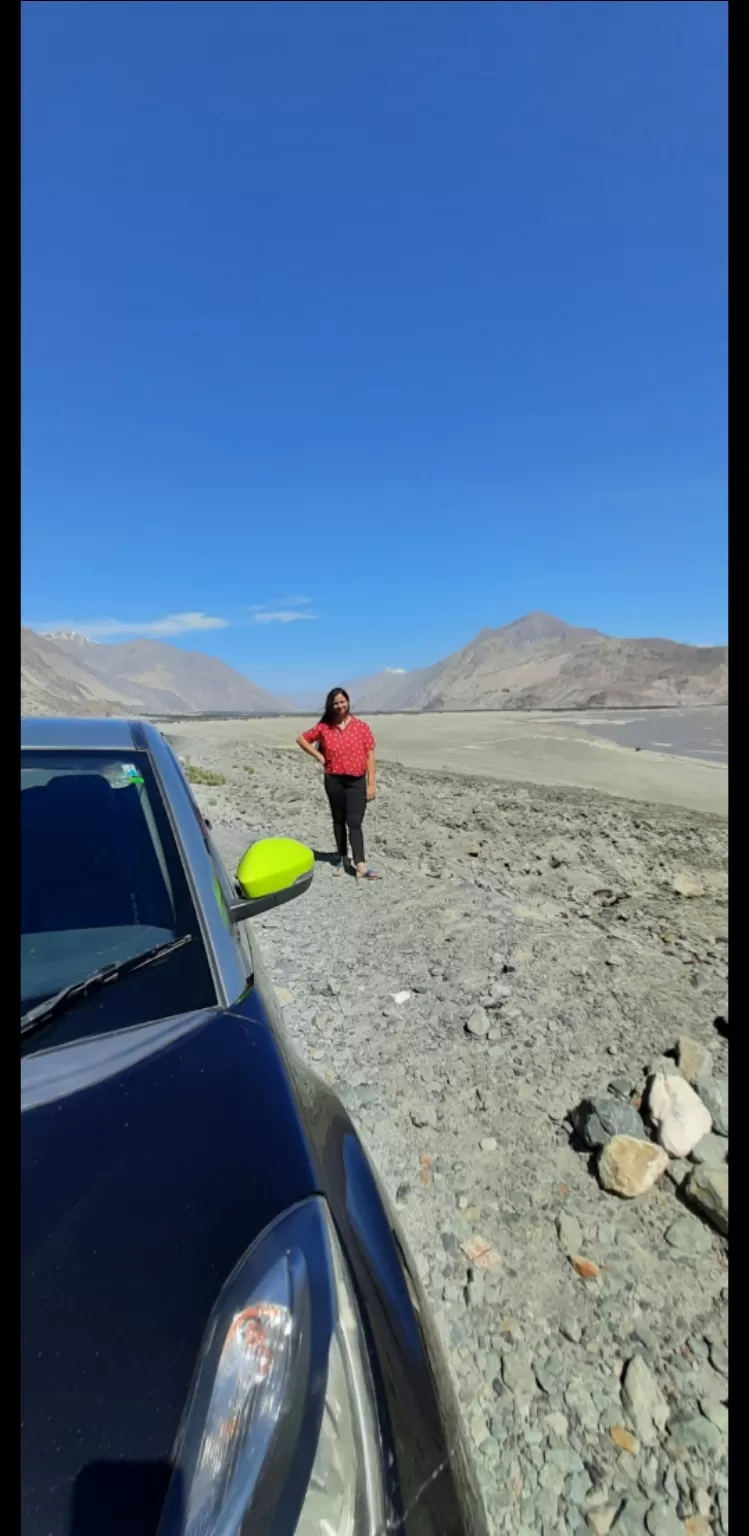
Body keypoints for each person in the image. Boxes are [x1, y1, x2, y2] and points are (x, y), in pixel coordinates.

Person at [296, 689, 381, 879]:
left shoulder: (361, 727)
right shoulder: (325, 727)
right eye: (335, 703)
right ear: (330, 705)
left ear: (348, 702)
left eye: (342, 702)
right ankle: (343, 859)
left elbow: (370, 755)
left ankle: (360, 864)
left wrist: (371, 784)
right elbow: (301, 739)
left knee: (355, 822)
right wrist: (318, 755)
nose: (339, 706)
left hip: (357, 781)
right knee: (338, 821)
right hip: (334, 780)